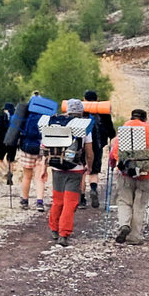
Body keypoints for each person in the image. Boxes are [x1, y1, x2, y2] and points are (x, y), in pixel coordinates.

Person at [45, 99, 93, 247]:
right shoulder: (84, 126)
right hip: (75, 169)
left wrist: (43, 167)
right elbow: (89, 152)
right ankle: (63, 234)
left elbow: (45, 145)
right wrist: (89, 167)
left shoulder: (55, 123)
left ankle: (54, 228)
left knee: (58, 200)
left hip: (56, 167)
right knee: (70, 202)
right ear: (81, 112)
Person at [110, 109, 149, 244]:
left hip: (126, 173)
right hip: (145, 174)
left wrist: (113, 164)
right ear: (145, 119)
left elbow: (114, 152)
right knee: (139, 205)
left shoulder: (124, 130)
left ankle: (124, 225)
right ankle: (134, 236)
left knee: (124, 201)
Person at [6, 92, 49, 211]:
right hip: (42, 148)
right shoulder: (47, 114)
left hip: (27, 147)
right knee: (40, 176)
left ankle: (25, 200)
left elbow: (16, 129)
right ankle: (39, 202)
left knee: (27, 176)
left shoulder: (25, 114)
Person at [0, 102, 17, 185]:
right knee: (10, 160)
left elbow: (0, 130)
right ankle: (10, 177)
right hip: (14, 142)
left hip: (3, 141)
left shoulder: (2, 116)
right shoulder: (15, 118)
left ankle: (6, 172)